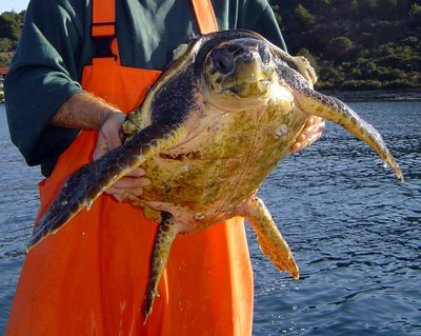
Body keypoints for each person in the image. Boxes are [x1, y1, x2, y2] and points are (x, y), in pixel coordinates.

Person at [5, 0, 325, 335]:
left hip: (207, 245)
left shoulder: (237, 4)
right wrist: (106, 120)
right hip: (88, 232)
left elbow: (287, 87)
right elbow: (31, 83)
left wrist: (306, 119)